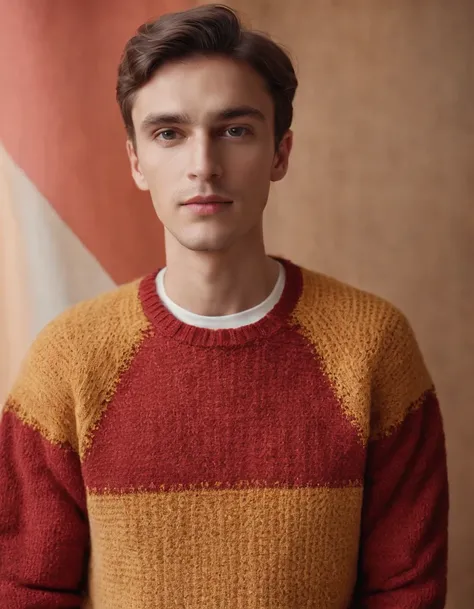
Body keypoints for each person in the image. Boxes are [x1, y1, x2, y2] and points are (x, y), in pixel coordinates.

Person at [0, 4, 449, 608]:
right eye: (169, 133)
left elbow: (407, 591)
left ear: (280, 154)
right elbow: (23, 587)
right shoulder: (69, 358)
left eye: (235, 130)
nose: (203, 166)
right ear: (136, 160)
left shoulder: (372, 347)